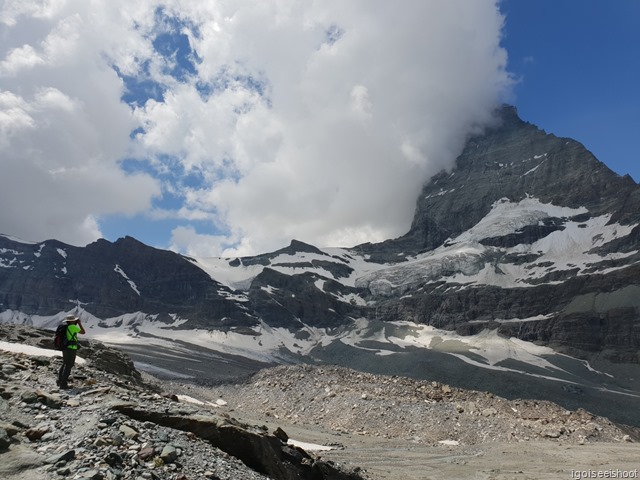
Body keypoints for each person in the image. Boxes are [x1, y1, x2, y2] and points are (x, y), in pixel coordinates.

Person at [57, 314, 85, 389]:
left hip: (65, 347)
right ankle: (63, 384)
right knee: (69, 365)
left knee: (65, 363)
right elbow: (83, 332)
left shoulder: (65, 327)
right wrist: (79, 323)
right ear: (73, 321)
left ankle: (59, 381)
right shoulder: (72, 327)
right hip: (71, 348)